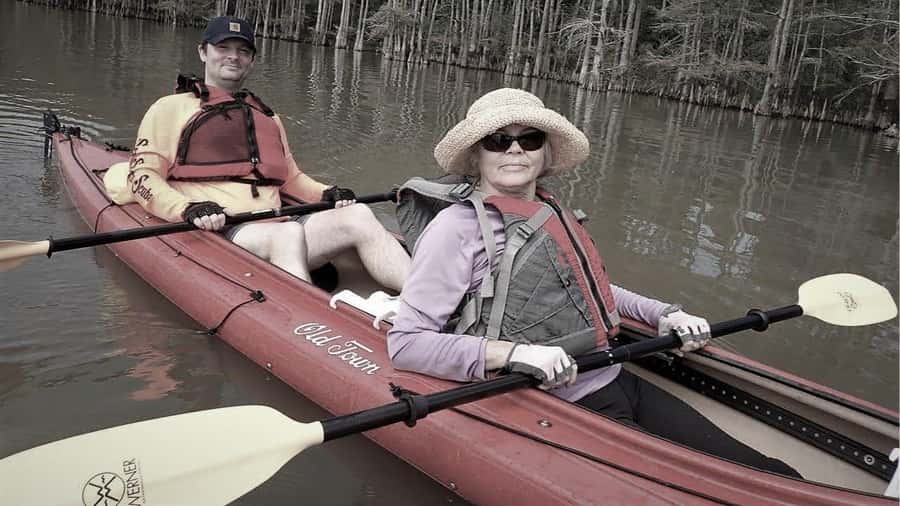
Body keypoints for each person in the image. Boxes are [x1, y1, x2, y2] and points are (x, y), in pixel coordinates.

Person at [387, 88, 799, 477]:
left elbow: (584, 291)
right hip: (549, 401)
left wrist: (664, 314)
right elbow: (407, 344)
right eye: (496, 140)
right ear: (477, 155)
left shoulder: (548, 209)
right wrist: (513, 352)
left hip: (611, 374)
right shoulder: (455, 229)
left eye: (529, 138)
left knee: (767, 471)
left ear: (545, 152)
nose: (514, 148)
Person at [107, 16, 409, 290]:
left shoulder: (267, 117)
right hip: (220, 230)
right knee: (287, 235)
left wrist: (326, 193)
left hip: (277, 224)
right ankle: (308, 323)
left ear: (251, 61)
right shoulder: (169, 109)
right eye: (223, 47)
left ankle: (428, 306)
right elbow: (143, 178)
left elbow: (290, 179)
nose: (233, 56)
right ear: (203, 52)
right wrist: (188, 209)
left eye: (243, 51)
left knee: (357, 215)